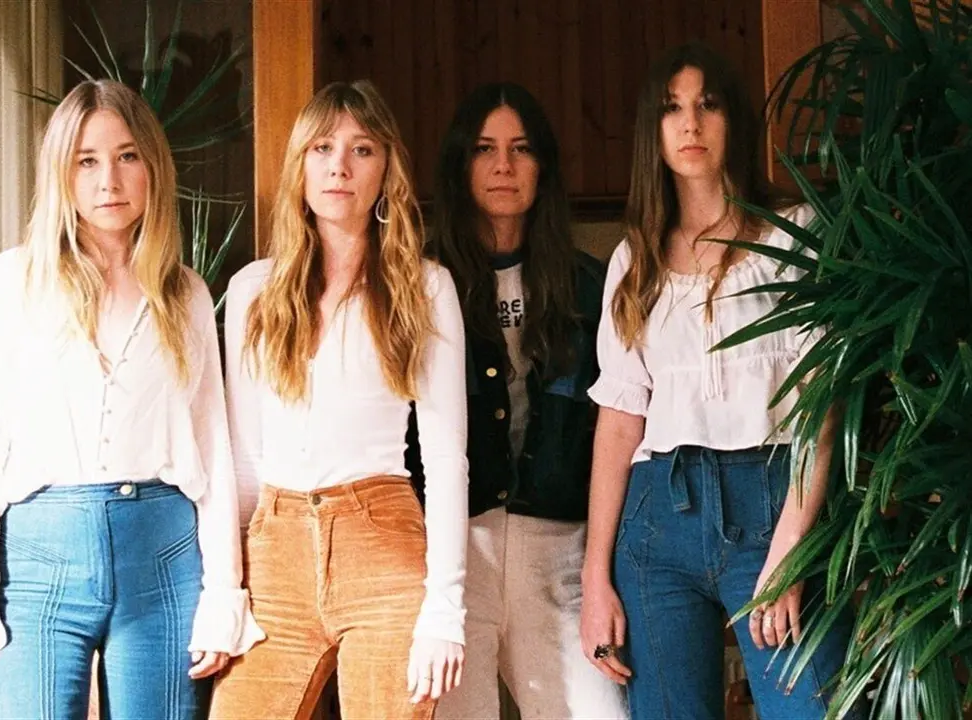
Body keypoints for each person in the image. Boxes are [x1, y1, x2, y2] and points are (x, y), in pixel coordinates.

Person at [0, 79, 258, 719]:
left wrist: (223, 594)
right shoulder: (14, 282)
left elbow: (214, 453)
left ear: (152, 166)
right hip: (36, 561)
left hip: (164, 560)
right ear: (62, 173)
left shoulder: (186, 294)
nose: (108, 180)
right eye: (86, 161)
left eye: (126, 156)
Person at [580, 42, 854, 718]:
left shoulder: (793, 238)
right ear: (653, 130)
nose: (690, 123)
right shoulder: (634, 260)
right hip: (657, 522)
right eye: (671, 108)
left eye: (707, 104)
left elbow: (824, 404)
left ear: (734, 119)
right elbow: (619, 421)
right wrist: (595, 578)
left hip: (774, 503)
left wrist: (790, 552)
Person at [208, 80, 468, 720]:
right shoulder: (253, 290)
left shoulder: (425, 288)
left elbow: (445, 459)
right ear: (300, 163)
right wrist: (226, 589)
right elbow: (243, 456)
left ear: (386, 170)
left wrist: (445, 609)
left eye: (362, 149)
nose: (339, 167)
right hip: (273, 548)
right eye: (322, 148)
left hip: (381, 539)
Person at [408, 81, 628, 719]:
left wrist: (600, 571)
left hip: (561, 549)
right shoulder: (420, 284)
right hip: (454, 550)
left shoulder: (590, 286)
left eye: (521, 148)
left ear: (543, 166)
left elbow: (618, 427)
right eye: (485, 149)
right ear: (461, 165)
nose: (503, 165)